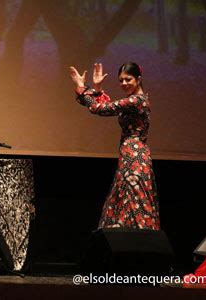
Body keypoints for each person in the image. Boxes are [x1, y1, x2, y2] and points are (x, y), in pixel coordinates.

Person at [69, 62, 160, 230]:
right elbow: (106, 106)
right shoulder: (134, 100)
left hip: (135, 158)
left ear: (138, 79)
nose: (124, 83)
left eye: (128, 79)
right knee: (128, 200)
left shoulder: (136, 100)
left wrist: (82, 87)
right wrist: (97, 89)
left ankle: (136, 245)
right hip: (131, 155)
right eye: (121, 80)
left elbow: (98, 108)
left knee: (134, 201)